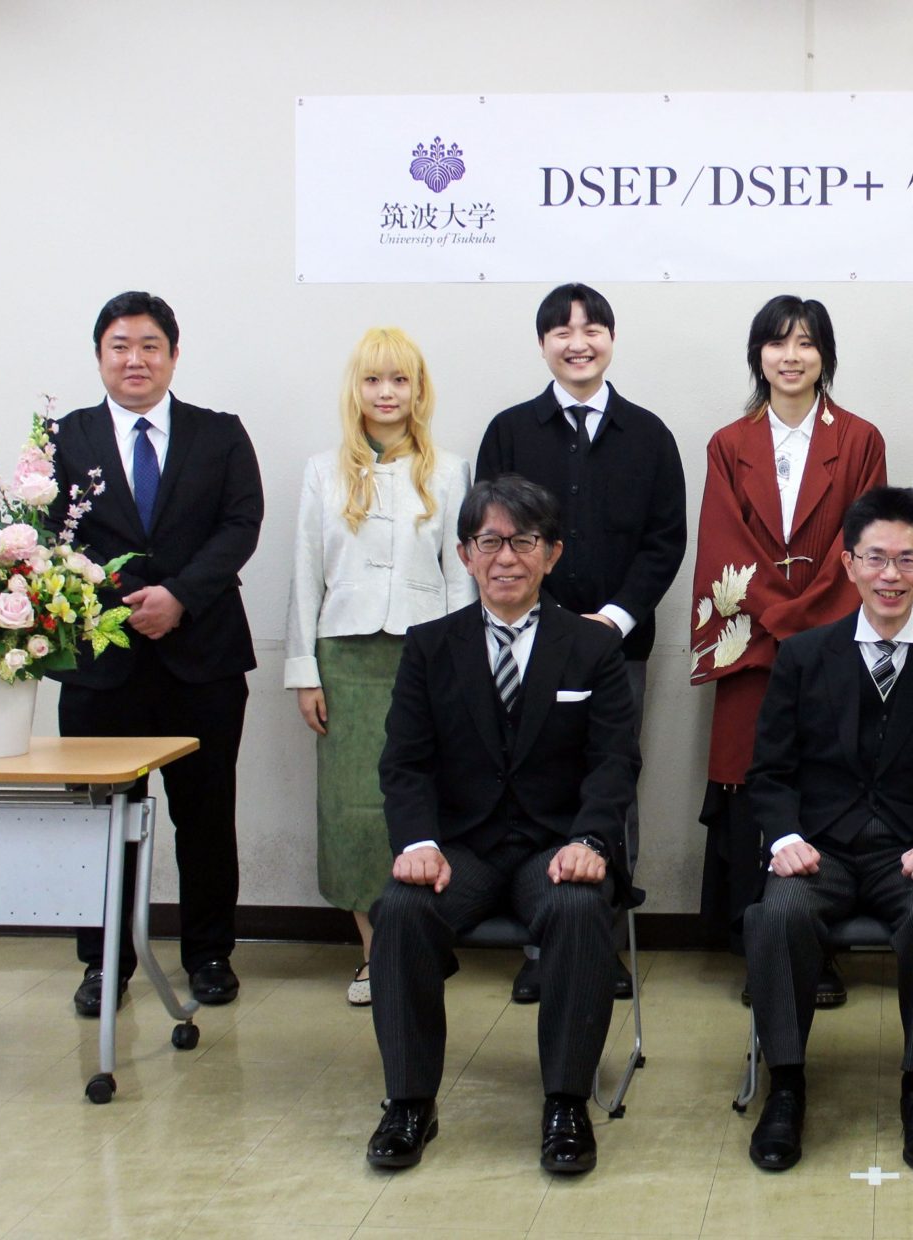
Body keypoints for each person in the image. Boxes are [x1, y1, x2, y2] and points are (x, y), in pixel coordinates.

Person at [365, 476, 639, 1174]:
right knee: (400, 909)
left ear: (552, 554)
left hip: (555, 848)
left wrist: (590, 840)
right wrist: (418, 843)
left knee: (579, 908)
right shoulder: (429, 647)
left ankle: (567, 1103)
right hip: (463, 850)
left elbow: (613, 761)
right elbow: (404, 762)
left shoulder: (592, 647)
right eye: (489, 542)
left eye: (524, 541)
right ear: (464, 554)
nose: (506, 558)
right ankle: (409, 1103)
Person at [741, 486, 913, 1174]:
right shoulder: (804, 657)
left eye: (907, 560)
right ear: (848, 564)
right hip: (818, 851)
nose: (891, 575)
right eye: (875, 558)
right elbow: (769, 772)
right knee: (777, 914)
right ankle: (785, 1085)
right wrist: (784, 839)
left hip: (911, 855)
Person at [46, 291, 263, 1016]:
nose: (134, 359)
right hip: (101, 666)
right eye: (120, 346)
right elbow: (49, 539)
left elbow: (240, 524)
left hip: (203, 657)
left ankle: (210, 955)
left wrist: (178, 596)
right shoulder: (61, 439)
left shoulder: (219, 434)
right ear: (99, 356)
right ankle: (103, 962)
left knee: (205, 815)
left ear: (173, 355)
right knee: (102, 819)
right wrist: (122, 601)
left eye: (149, 346)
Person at [477, 283, 684, 1005]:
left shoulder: (648, 434)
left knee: (611, 785)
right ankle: (542, 945)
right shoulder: (510, 431)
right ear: (543, 345)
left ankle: (600, 943)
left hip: (618, 648)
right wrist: (546, 620)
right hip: (522, 643)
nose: (578, 342)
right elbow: (493, 537)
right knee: (531, 784)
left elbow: (665, 541)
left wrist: (614, 620)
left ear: (611, 340)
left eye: (592, 328)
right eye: (561, 331)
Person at [692, 294, 888, 1005]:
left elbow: (863, 545)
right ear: (759, 355)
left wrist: (808, 621)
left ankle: (820, 947)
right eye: (777, 342)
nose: (792, 356)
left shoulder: (860, 439)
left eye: (806, 342)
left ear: (825, 355)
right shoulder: (728, 443)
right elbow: (722, 541)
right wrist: (781, 615)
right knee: (754, 784)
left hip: (834, 643)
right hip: (754, 645)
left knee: (828, 780)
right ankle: (764, 950)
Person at [285, 327, 474, 1006]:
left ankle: (419, 941)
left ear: (418, 389)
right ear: (356, 389)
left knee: (424, 799)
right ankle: (374, 954)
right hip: (345, 657)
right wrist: (305, 671)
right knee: (355, 809)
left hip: (426, 655)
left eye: (400, 379)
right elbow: (305, 572)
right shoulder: (323, 471)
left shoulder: (449, 470)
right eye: (373, 379)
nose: (386, 393)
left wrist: (464, 667)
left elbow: (462, 573)